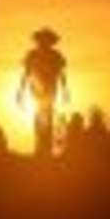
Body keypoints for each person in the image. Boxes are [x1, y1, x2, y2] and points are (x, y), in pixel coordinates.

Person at [16, 27, 69, 158]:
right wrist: (20, 91)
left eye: (47, 41)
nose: (44, 43)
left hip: (50, 88)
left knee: (47, 114)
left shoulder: (56, 55)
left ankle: (45, 148)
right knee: (40, 114)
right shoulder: (32, 55)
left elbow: (61, 73)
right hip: (37, 89)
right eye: (42, 40)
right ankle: (40, 147)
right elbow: (26, 73)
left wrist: (65, 89)